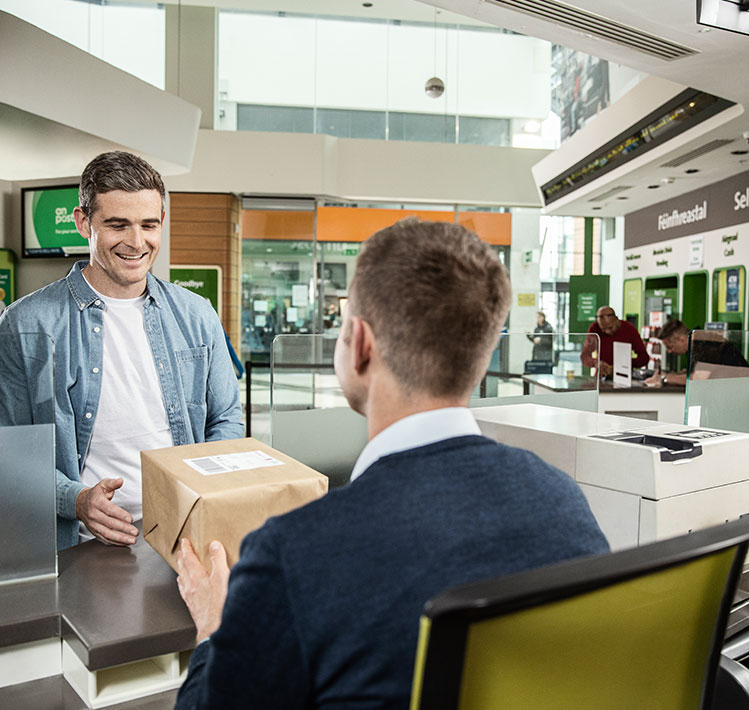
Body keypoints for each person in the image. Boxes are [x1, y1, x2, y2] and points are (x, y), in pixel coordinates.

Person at [174, 219, 609, 709]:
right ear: (480, 356)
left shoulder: (293, 555)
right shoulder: (563, 501)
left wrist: (214, 629)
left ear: (359, 343)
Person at [0, 151, 244, 550]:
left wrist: (199, 488)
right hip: (78, 546)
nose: (136, 242)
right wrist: (76, 499)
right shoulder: (25, 325)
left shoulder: (196, 314)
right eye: (117, 225)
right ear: (84, 222)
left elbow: (225, 419)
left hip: (183, 536)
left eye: (148, 225)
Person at [645, 319, 749, 387]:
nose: (669, 351)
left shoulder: (706, 344)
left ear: (681, 339)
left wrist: (665, 378)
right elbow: (693, 373)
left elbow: (698, 378)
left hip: (743, 390)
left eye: (670, 346)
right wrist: (668, 375)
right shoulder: (695, 343)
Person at [579, 306, 650, 376]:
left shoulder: (629, 329)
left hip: (624, 376)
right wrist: (596, 363)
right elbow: (584, 356)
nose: (607, 332)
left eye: (610, 327)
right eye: (603, 329)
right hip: (602, 376)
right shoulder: (595, 329)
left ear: (616, 319)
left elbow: (644, 358)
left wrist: (624, 363)